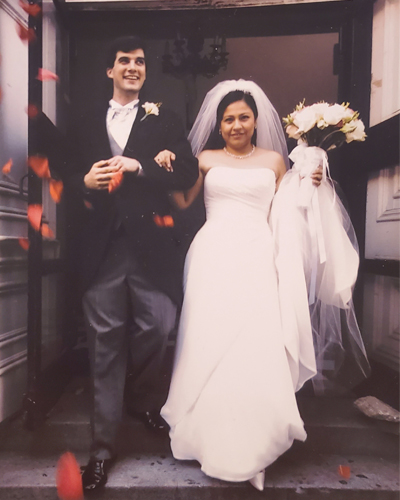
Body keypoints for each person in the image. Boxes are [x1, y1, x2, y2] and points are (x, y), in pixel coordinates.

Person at [158, 80, 369, 490]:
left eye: (243, 118)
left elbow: (289, 211)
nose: (236, 125)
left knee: (254, 340)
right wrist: (167, 173)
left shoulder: (275, 161)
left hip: (258, 256)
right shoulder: (203, 158)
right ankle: (205, 434)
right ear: (218, 125)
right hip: (212, 256)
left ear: (256, 121)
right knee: (211, 338)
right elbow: (184, 204)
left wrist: (312, 182)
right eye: (228, 119)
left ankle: (257, 439)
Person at [64, 36, 198, 491]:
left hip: (150, 250)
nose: (133, 67)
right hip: (101, 250)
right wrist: (84, 181)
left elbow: (187, 171)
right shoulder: (84, 121)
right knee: (104, 346)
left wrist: (143, 167)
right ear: (110, 70)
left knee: (159, 326)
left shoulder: (164, 119)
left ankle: (139, 398)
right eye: (124, 61)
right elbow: (64, 173)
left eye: (140, 62)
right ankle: (102, 450)